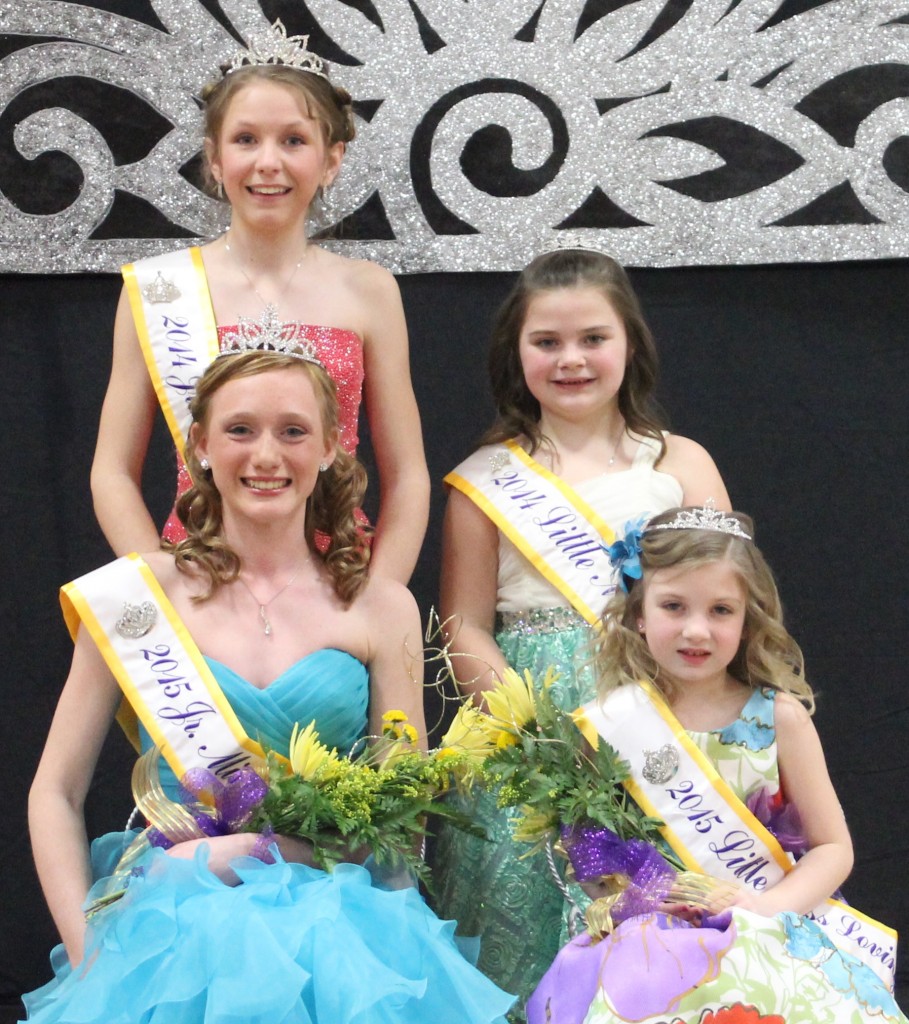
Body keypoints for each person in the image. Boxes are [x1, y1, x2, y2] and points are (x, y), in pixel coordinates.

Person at [22, 345, 514, 1024]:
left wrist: (402, 951)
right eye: (239, 429)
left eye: (292, 431)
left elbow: (404, 815)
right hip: (171, 943)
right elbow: (56, 790)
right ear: (199, 445)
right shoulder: (135, 598)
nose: (266, 455)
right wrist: (89, 960)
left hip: (339, 947)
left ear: (330, 448)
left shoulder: (381, 606)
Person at [429, 247, 731, 1013]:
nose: (571, 360)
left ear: (629, 343)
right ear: (515, 353)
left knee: (665, 947)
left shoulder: (682, 464)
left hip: (663, 733)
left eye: (592, 338)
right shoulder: (484, 480)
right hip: (525, 746)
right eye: (547, 342)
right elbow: (463, 622)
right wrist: (536, 741)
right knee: (522, 945)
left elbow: (731, 607)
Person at [528, 505, 905, 1024]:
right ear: (639, 613)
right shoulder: (610, 725)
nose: (697, 631)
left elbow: (834, 848)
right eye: (674, 606)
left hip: (765, 937)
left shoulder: (780, 718)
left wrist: (763, 910)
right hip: (647, 952)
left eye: (721, 610)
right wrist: (644, 897)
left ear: (748, 616)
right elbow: (588, 850)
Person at [90, 19, 429, 584]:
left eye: (293, 140)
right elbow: (111, 473)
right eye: (246, 139)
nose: (268, 162)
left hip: (334, 584)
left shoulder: (369, 291)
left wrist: (378, 600)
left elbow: (409, 477)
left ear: (332, 159)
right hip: (198, 581)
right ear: (215, 159)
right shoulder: (157, 292)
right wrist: (163, 586)